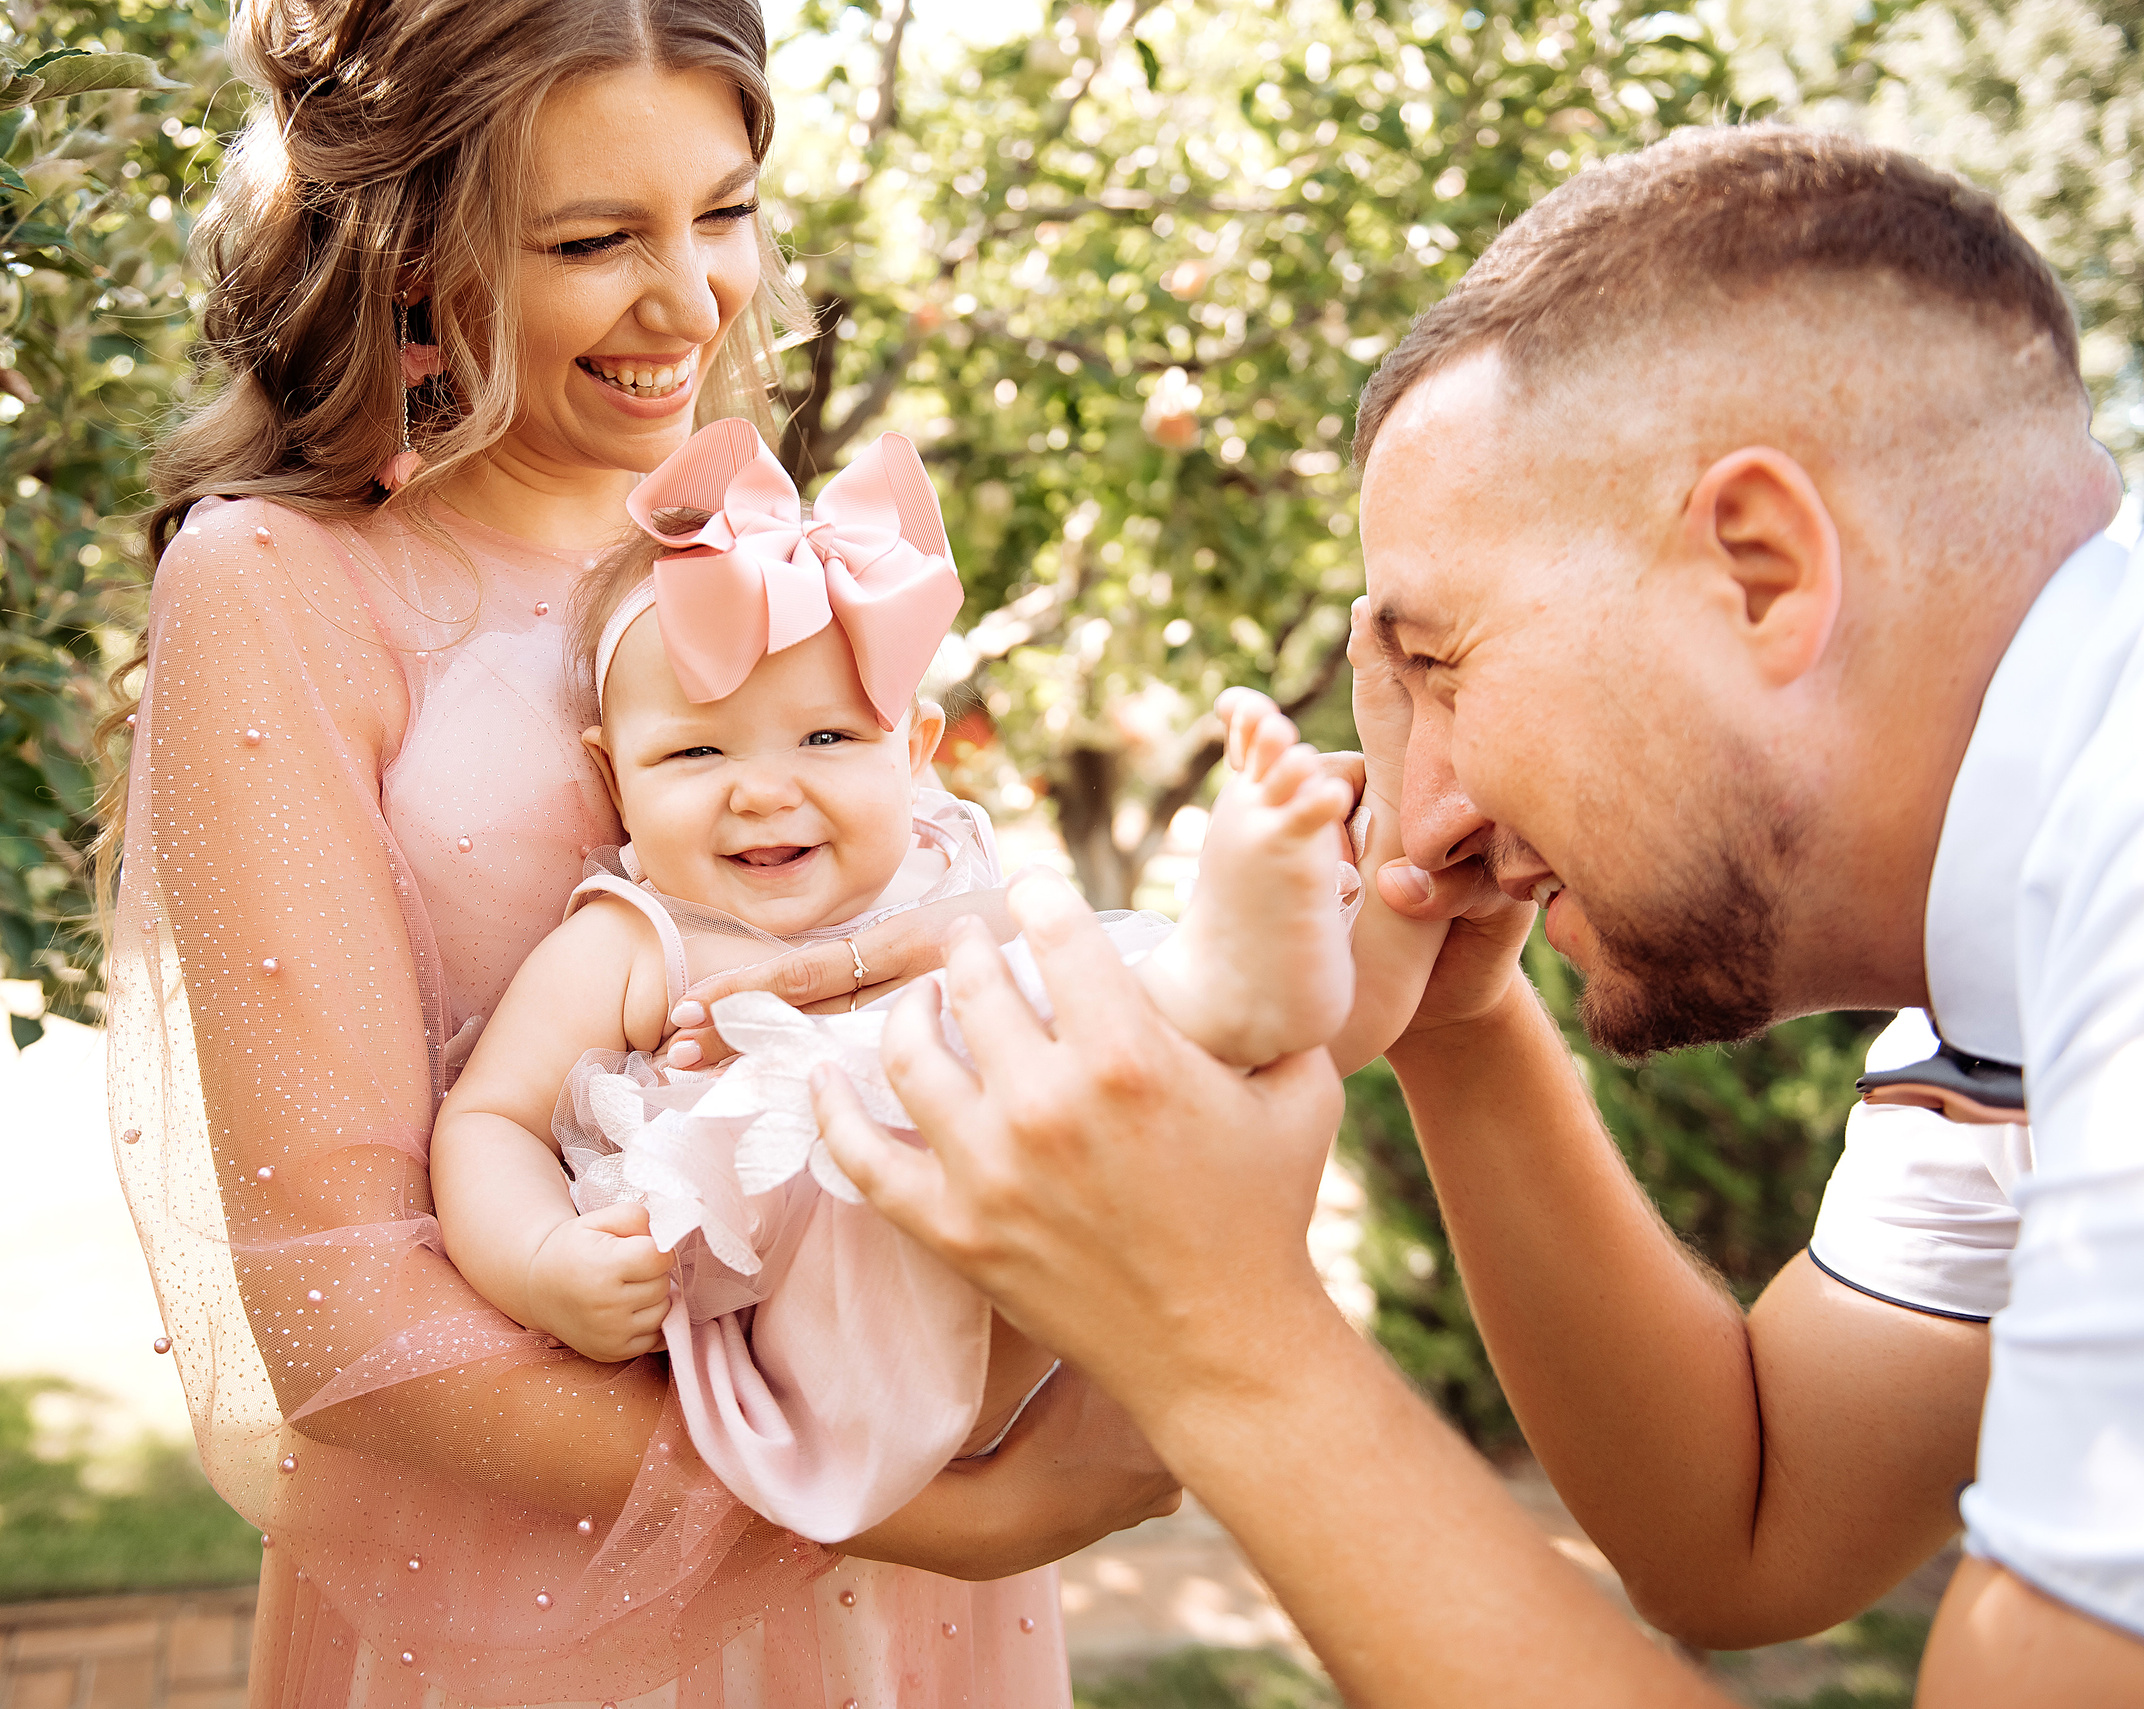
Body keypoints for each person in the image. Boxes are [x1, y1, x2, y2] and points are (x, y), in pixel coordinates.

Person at [813, 124, 2144, 1707]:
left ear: (1765, 571)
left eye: (1441, 664)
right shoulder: (2012, 952)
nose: (1417, 810)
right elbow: (1750, 1528)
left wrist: (1216, 1334)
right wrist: (1456, 1019)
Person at [99, 3, 1179, 1704]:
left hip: (901, 1593)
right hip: (539, 1585)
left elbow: (940, 920)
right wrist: (917, 1514)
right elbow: (342, 1319)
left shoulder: (743, 534)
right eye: (596, 239)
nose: (694, 303)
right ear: (408, 249)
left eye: (727, 211)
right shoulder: (279, 584)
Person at [432, 417, 1361, 1549]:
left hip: (1024, 1273)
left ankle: (1279, 969)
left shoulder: (939, 864)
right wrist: (540, 1261)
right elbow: (489, 1116)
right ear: (610, 775)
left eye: (826, 737)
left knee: (1051, 968)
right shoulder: (635, 940)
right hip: (819, 1339)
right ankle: (1229, 982)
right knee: (928, 1044)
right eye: (696, 753)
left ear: (915, 751)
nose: (765, 791)